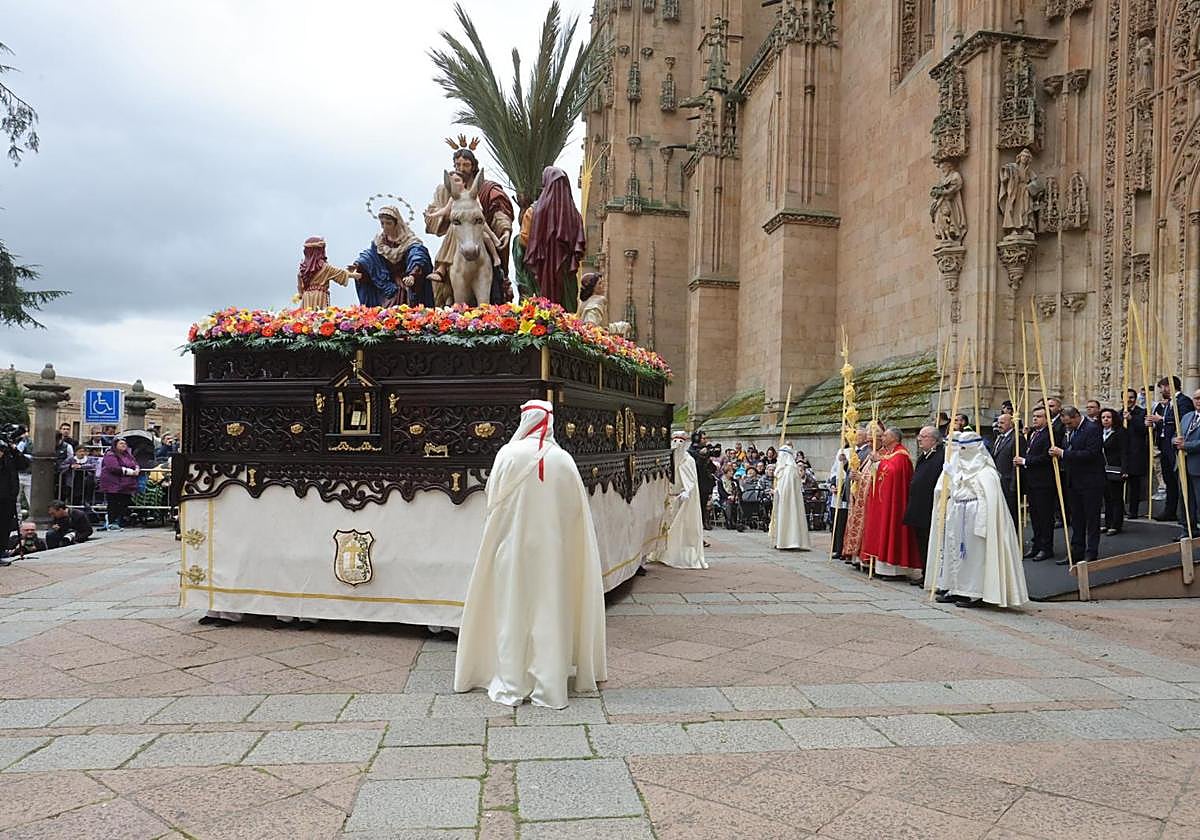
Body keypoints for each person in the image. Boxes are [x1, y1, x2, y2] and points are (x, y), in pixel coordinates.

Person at [453, 399, 606, 709]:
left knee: (512, 608)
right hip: (554, 554)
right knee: (550, 611)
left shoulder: (507, 455)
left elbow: (492, 499)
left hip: (512, 549)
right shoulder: (564, 460)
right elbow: (576, 514)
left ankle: (512, 680)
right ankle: (549, 686)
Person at [928, 432, 1029, 608]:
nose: (961, 452)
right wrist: (951, 476)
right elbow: (955, 490)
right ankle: (956, 588)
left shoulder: (986, 472)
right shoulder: (960, 469)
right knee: (955, 554)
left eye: (965, 448)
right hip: (958, 516)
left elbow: (988, 499)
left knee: (974, 557)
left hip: (975, 519)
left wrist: (982, 524)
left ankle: (974, 593)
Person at [426, 141, 515, 306]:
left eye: (466, 165)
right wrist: (445, 216)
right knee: (455, 228)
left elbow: (499, 209)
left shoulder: (485, 189)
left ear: (473, 166)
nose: (461, 168)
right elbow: (435, 214)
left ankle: (497, 275)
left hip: (479, 233)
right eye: (457, 165)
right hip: (458, 237)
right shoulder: (447, 190)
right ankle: (444, 277)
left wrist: (505, 229)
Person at [860, 427, 921, 580]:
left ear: (894, 438)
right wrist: (876, 462)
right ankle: (881, 567)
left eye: (885, 435)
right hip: (883, 501)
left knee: (892, 529)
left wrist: (879, 462)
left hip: (895, 503)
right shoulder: (888, 453)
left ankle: (895, 571)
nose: (882, 437)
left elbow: (894, 472)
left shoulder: (901, 455)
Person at [521, 166, 586, 310]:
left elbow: (524, 239)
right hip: (566, 275)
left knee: (541, 312)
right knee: (567, 314)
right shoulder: (576, 216)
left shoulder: (533, 212)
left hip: (540, 274)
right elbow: (580, 248)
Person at [1050, 405, 1104, 563]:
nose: (1067, 426)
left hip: (1091, 481)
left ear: (1076, 416)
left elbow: (1091, 454)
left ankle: (1091, 551)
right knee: (1076, 519)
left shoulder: (1092, 429)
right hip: (1074, 481)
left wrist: (1063, 453)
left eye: (1069, 423)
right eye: (1065, 424)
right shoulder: (1070, 431)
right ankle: (1076, 551)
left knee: (1091, 519)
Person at [353, 206, 435, 307]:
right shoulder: (379, 242)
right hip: (385, 282)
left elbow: (418, 256)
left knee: (400, 301)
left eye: (388, 223)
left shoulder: (409, 241)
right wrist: (358, 265)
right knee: (384, 306)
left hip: (404, 281)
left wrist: (413, 275)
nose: (385, 227)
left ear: (397, 223)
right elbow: (370, 257)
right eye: (382, 223)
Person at [1149, 376, 1196, 524]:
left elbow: (1183, 421)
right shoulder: (1168, 403)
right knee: (1169, 479)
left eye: (1163, 387)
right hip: (1165, 444)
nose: (1161, 391)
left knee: (1179, 480)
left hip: (1176, 446)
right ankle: (1170, 510)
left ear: (1169, 386)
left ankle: (1185, 514)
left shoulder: (1183, 401)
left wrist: (1161, 419)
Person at [902, 425, 945, 584]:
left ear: (934, 440)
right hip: (919, 506)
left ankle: (931, 574)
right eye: (919, 435)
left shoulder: (941, 456)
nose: (919, 439)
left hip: (929, 506)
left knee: (929, 541)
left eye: (923, 436)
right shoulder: (924, 456)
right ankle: (924, 572)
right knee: (921, 541)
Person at [660, 431, 707, 568]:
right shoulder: (667, 459)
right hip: (668, 496)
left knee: (680, 527)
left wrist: (687, 491)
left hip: (681, 497)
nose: (677, 445)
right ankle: (663, 552)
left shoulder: (689, 460)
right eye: (675, 441)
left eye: (681, 441)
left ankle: (678, 554)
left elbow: (691, 479)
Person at [1014, 406, 1055, 561]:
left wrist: (1025, 461)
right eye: (1034, 416)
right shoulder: (1033, 433)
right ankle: (1036, 544)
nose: (1035, 419)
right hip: (1032, 481)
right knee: (1035, 517)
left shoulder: (1050, 435)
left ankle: (1046, 547)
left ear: (1047, 419)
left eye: (1039, 416)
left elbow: (1046, 458)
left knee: (1045, 516)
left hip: (1043, 482)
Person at [841, 428, 873, 566]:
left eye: (858, 435)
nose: (855, 438)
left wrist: (859, 476)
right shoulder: (855, 450)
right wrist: (845, 463)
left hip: (862, 492)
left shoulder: (868, 452)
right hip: (853, 490)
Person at [770, 445, 810, 550]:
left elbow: (786, 488)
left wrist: (777, 491)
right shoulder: (784, 469)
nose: (779, 458)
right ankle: (783, 541)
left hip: (788, 501)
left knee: (790, 518)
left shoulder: (790, 470)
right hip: (784, 499)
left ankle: (790, 542)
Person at [296, 236, 352, 309]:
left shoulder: (303, 269)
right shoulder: (325, 268)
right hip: (320, 296)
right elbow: (340, 273)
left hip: (306, 298)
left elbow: (300, 289)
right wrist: (356, 275)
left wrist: (301, 294)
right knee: (319, 314)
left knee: (307, 315)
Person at [1173, 388, 1200, 538]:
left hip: (1197, 465)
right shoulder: (1187, 416)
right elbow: (1176, 435)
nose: (1198, 401)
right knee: (1185, 500)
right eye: (1196, 398)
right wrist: (1175, 441)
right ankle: (1188, 529)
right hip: (1183, 465)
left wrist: (1186, 446)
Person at [99, 438, 140, 530]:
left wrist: (137, 469)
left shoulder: (128, 455)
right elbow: (113, 467)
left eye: (125, 443)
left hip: (126, 485)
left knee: (123, 502)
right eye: (121, 443)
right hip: (113, 483)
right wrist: (130, 472)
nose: (123, 445)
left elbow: (135, 463)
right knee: (113, 503)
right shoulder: (110, 454)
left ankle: (118, 521)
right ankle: (111, 522)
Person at [1122, 388, 1150, 519]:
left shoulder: (1142, 412)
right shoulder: (1118, 413)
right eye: (1126, 397)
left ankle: (1133, 511)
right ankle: (1120, 510)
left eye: (1131, 397)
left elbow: (1144, 430)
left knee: (1135, 485)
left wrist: (1131, 418)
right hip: (1122, 453)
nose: (1129, 400)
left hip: (1136, 453)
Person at [1099, 408, 1126, 536]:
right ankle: (1108, 522)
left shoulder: (1120, 432)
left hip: (1116, 468)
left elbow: (1124, 451)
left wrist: (1125, 469)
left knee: (1116, 497)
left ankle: (1116, 524)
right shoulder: (1099, 432)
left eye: (1108, 417)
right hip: (1102, 469)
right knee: (1107, 498)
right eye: (1103, 417)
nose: (1105, 420)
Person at [991, 413, 1020, 527]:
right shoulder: (999, 437)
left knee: (1011, 512)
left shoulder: (1016, 438)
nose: (999, 425)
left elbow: (1016, 464)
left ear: (1011, 424)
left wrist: (1014, 484)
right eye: (998, 422)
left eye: (1002, 423)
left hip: (1009, 481)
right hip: (998, 480)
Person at [689, 431, 716, 530]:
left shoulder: (706, 450)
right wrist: (701, 456)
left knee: (706, 503)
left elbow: (712, 468)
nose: (705, 440)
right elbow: (695, 467)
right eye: (703, 438)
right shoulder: (691, 452)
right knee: (698, 504)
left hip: (706, 482)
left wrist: (708, 459)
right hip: (697, 481)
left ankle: (706, 521)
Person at [0, 437, 20, 547]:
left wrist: (14, 450)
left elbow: (24, 464)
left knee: (5, 525)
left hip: (8, 497)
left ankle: (2, 549)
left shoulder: (9, 458)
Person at [718, 462, 744, 531]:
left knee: (739, 504)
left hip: (735, 498)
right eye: (730, 472)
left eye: (732, 472)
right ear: (726, 473)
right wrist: (728, 497)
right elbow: (721, 492)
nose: (732, 473)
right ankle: (729, 521)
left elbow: (739, 490)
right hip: (725, 498)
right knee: (728, 504)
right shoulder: (721, 481)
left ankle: (739, 522)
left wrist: (737, 495)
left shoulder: (735, 481)